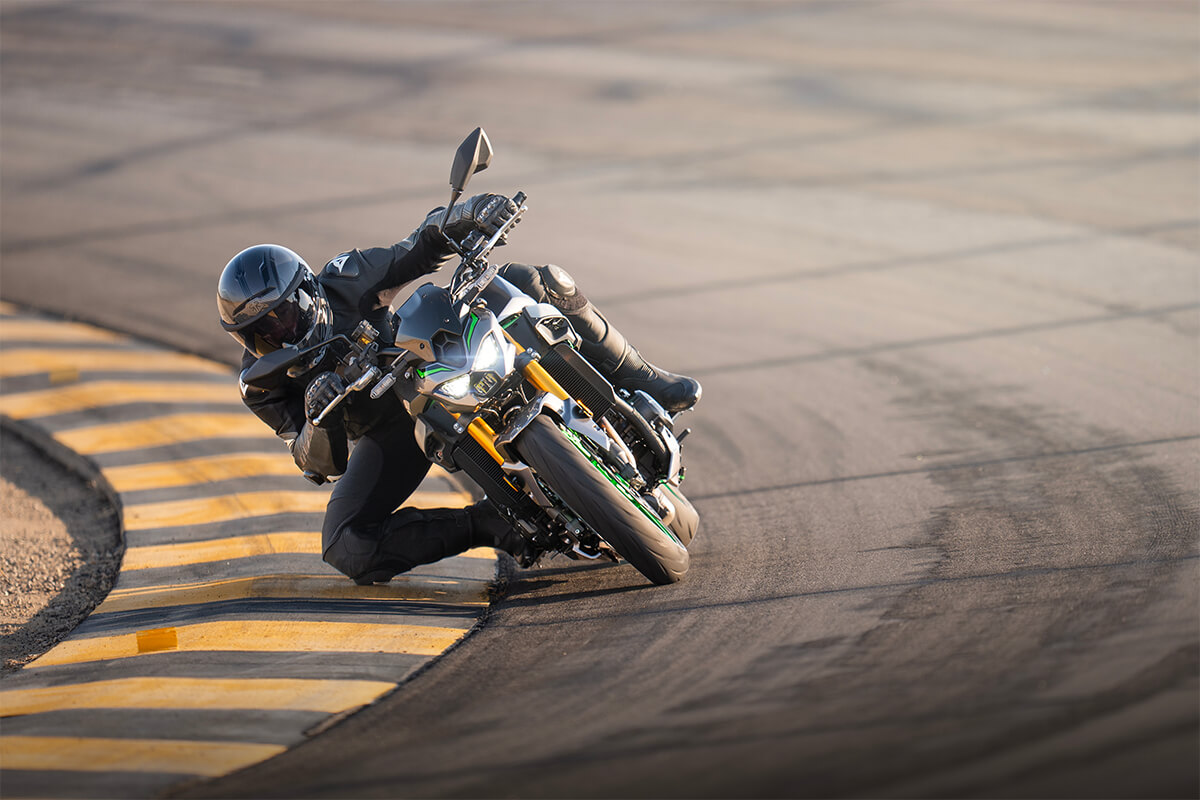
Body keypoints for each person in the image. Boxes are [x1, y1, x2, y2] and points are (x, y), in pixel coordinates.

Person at [216, 194, 701, 585]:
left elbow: (420, 247)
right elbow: (317, 463)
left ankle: (642, 377)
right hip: (392, 430)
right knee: (344, 545)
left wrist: (469, 215)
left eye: (284, 315)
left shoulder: (346, 278)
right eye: (261, 332)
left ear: (307, 292)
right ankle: (494, 524)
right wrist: (319, 421)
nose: (278, 335)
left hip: (435, 353)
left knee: (533, 279)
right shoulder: (261, 383)